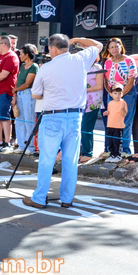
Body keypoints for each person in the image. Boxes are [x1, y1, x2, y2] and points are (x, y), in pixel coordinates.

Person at [24, 35, 103, 210]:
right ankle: (67, 198)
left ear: (53, 49)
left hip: (53, 115)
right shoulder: (81, 59)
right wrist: (78, 39)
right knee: (70, 160)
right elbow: (98, 44)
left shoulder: (46, 68)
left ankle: (39, 197)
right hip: (75, 116)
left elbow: (36, 94)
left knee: (47, 159)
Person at [103, 37, 137, 156]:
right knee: (112, 122)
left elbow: (131, 80)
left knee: (126, 122)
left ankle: (125, 150)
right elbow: (106, 81)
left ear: (121, 47)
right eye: (111, 47)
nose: (114, 49)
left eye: (116, 46)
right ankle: (111, 150)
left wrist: (120, 96)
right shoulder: (107, 62)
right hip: (111, 95)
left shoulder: (129, 61)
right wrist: (112, 96)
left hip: (127, 94)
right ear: (108, 49)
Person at [12, 43, 40, 153]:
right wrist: (15, 94)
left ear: (27, 55)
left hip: (28, 94)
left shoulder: (34, 66)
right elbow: (18, 81)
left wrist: (15, 89)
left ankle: (31, 146)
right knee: (19, 120)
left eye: (22, 54)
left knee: (29, 120)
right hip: (19, 94)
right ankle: (22, 145)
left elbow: (27, 84)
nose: (20, 56)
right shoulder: (22, 67)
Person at [80, 59, 105, 162]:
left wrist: (82, 90)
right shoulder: (80, 66)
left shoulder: (97, 68)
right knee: (79, 127)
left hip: (93, 102)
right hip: (80, 101)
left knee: (86, 127)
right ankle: (81, 151)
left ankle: (88, 153)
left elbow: (99, 86)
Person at [103, 84, 128, 162]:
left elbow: (125, 114)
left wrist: (122, 109)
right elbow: (110, 111)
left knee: (117, 141)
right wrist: (107, 112)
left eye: (119, 93)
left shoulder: (123, 103)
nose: (117, 95)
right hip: (110, 125)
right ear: (111, 94)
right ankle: (112, 154)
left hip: (119, 126)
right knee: (110, 141)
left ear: (122, 94)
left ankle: (118, 155)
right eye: (115, 93)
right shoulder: (110, 103)